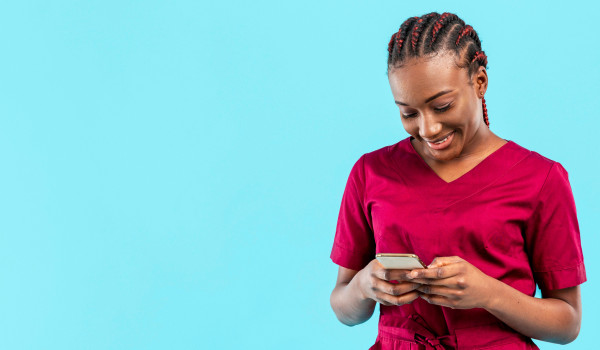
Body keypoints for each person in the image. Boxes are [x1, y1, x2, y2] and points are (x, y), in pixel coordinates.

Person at [329, 12, 586, 350]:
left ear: (479, 82)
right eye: (408, 113)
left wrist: (488, 293)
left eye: (442, 105)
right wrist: (364, 286)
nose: (428, 129)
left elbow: (567, 323)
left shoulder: (541, 179)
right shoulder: (370, 172)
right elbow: (344, 308)